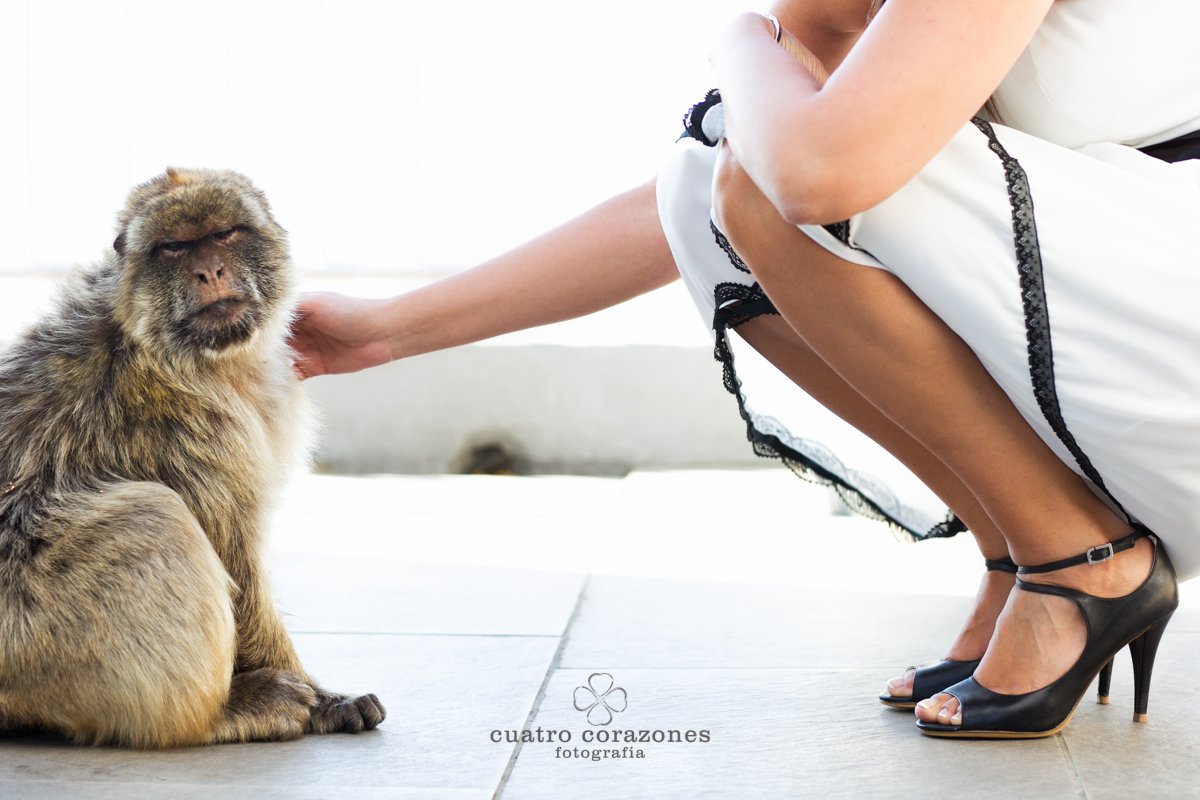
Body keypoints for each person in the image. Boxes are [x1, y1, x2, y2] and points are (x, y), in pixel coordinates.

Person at [290, 0, 1200, 738]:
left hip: (1170, 337)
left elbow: (812, 175)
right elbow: (701, 194)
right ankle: (1024, 541)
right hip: (1113, 326)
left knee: (772, 170)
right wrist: (382, 334)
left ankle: (1087, 560)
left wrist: (737, 36)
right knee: (710, 174)